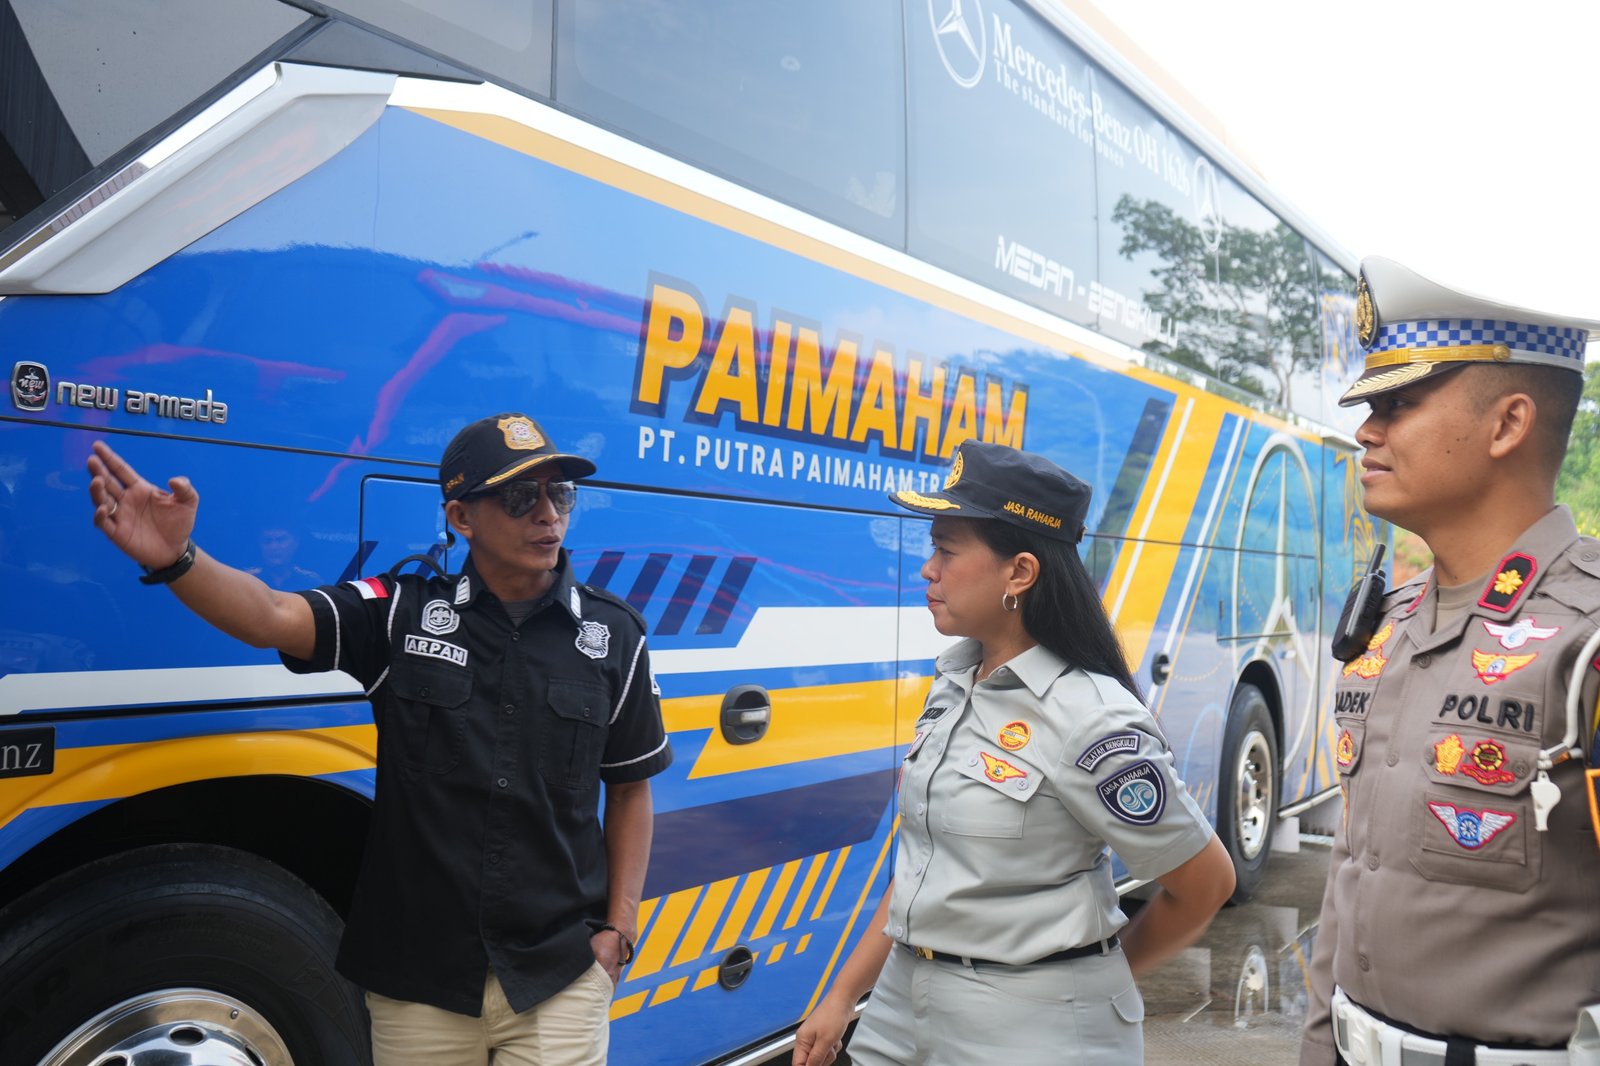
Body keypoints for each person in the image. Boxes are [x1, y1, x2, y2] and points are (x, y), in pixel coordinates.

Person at [86, 412, 672, 1066]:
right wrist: (178, 562)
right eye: (518, 496)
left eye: (559, 494)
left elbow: (629, 788)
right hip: (417, 980)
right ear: (461, 516)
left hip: (556, 976)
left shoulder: (615, 635)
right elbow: (273, 616)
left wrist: (620, 929)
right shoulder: (401, 611)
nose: (546, 514)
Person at [793, 441, 1234, 1066]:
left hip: (1031, 1029)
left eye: (946, 550)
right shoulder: (955, 683)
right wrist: (841, 997)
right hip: (901, 1005)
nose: (929, 569)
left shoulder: (1092, 718)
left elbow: (1206, 883)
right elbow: (923, 870)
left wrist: (1098, 984)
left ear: (1019, 573)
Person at [1301, 257, 1600, 1066]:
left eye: (1398, 404)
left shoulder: (1589, 638)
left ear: (1507, 425)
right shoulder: (1389, 626)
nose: (1367, 430)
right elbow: (1351, 872)